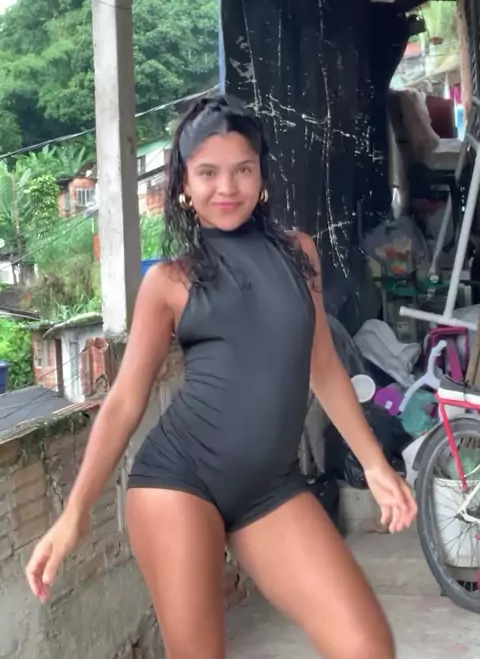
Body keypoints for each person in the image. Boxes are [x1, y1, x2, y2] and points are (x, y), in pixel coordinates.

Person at [26, 95, 417, 659]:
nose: (227, 187)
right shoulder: (169, 282)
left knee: (367, 646)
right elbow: (126, 401)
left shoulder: (300, 253)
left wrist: (375, 465)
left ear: (262, 176)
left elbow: (322, 365)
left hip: (270, 489)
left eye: (243, 170)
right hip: (178, 483)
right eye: (208, 172)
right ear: (184, 184)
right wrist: (76, 512)